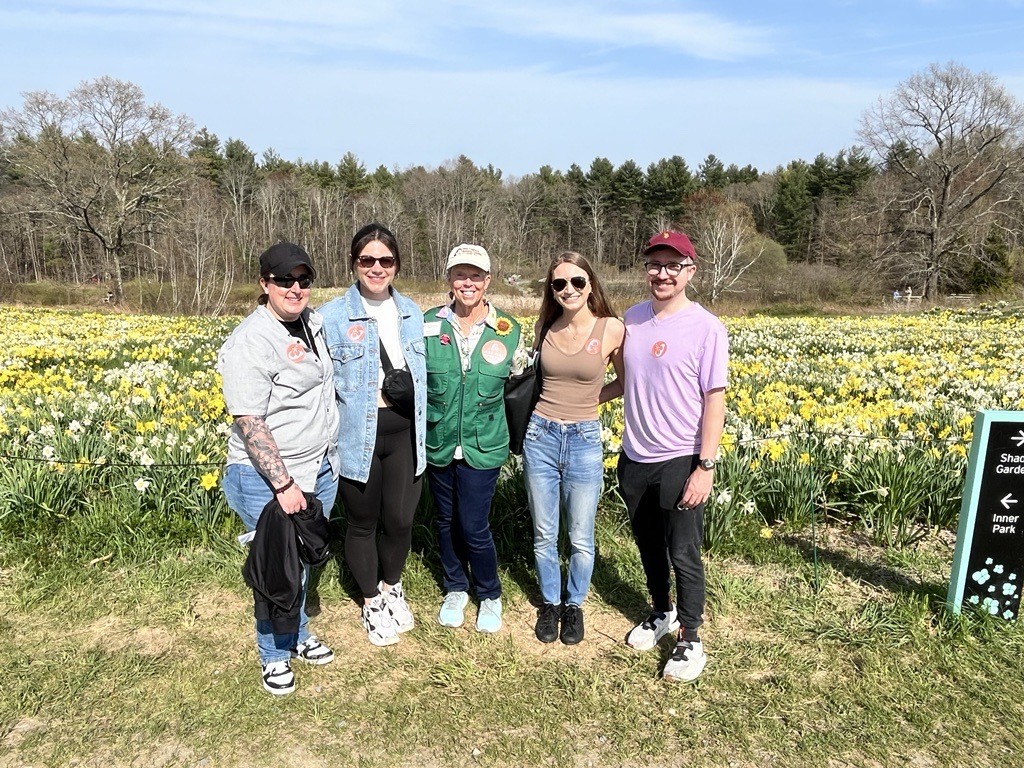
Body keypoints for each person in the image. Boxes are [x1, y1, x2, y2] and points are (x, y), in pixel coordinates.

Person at [218, 242, 340, 696]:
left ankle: (299, 633)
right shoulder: (252, 340)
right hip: (270, 478)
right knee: (277, 567)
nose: (295, 288)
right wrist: (283, 483)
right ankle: (273, 653)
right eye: (284, 280)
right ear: (264, 284)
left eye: (303, 280)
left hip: (318, 468)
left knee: (303, 561)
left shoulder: (312, 323)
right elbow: (249, 421)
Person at [610, 230, 728, 683]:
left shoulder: (706, 327)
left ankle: (691, 637)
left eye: (672, 266)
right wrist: (578, 402)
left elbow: (714, 399)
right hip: (634, 456)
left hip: (681, 457)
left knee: (683, 550)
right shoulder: (633, 319)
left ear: (689, 272)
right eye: (654, 265)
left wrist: (705, 466)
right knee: (647, 544)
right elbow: (624, 382)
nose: (662, 273)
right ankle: (662, 611)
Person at [319, 224, 426, 647]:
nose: (376, 268)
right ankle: (370, 601)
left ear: (396, 264)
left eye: (385, 260)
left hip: (405, 432)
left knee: (400, 520)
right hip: (357, 435)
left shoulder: (414, 313)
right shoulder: (330, 316)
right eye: (368, 260)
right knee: (362, 524)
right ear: (354, 263)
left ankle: (392, 587)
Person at [523, 252, 624, 645]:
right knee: (544, 533)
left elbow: (624, 383)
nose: (569, 290)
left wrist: (587, 402)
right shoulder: (544, 327)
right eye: (559, 283)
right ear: (552, 290)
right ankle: (550, 603)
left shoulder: (611, 329)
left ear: (591, 284)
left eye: (577, 282)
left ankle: (574, 604)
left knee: (581, 536)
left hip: (583, 438)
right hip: (540, 437)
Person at [423, 244, 523, 633]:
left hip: (485, 444)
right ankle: (455, 587)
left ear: (488, 280)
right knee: (445, 519)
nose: (468, 282)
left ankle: (489, 593)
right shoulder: (428, 323)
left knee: (474, 523)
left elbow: (521, 385)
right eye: (460, 274)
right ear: (449, 279)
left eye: (475, 275)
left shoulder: (509, 329)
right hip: (440, 440)